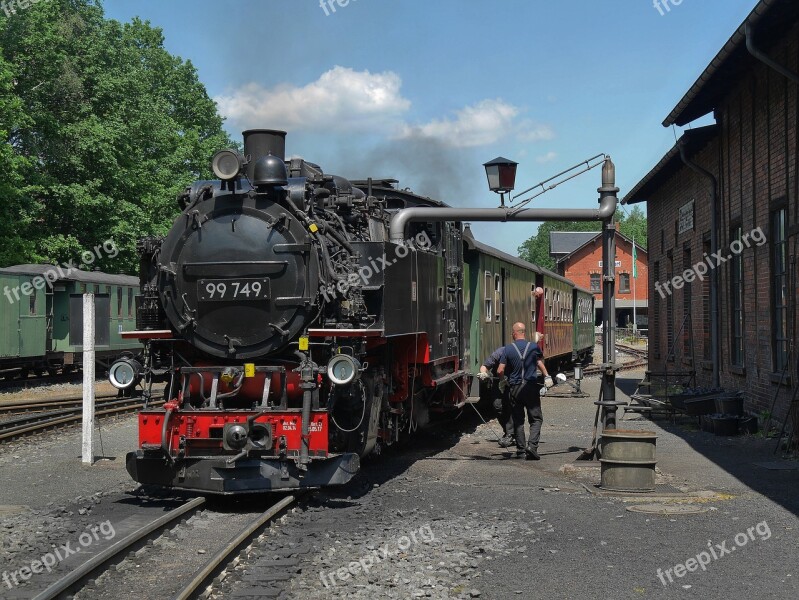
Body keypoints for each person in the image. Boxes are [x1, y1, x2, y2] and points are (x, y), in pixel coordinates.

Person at [497, 322, 554, 460]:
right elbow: (539, 362)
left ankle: (521, 450)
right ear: (524, 333)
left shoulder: (508, 349)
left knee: (518, 420)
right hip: (530, 387)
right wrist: (547, 376)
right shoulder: (534, 347)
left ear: (515, 333)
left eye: (512, 332)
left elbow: (500, 370)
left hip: (515, 388)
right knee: (536, 418)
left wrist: (503, 380)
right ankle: (532, 447)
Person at [477, 347, 514, 447]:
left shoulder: (518, 354)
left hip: (513, 383)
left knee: (511, 406)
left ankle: (511, 433)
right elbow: (485, 365)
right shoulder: (499, 353)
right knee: (498, 406)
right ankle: (508, 431)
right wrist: (483, 373)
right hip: (498, 383)